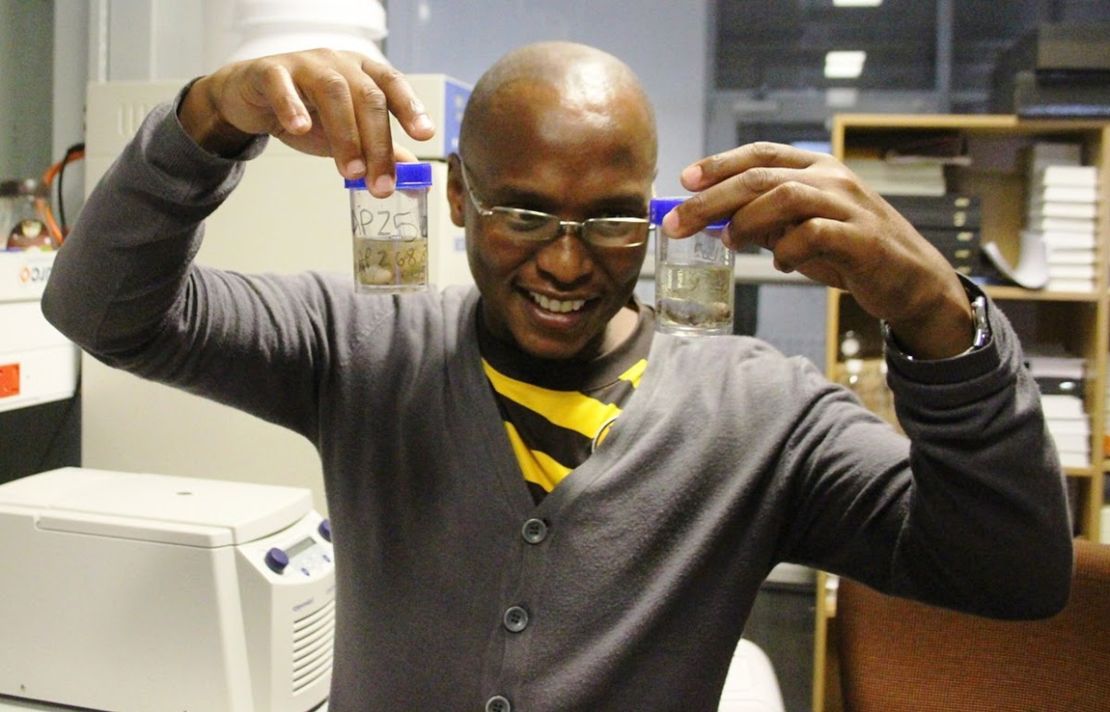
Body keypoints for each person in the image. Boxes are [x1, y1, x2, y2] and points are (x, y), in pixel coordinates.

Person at [43, 42, 1072, 711]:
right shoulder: (356, 350)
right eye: (524, 212)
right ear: (455, 198)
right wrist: (204, 125)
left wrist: (940, 315)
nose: (569, 262)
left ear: (663, 212)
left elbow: (1009, 573)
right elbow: (103, 311)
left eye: (615, 218)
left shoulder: (762, 414)